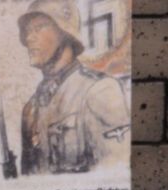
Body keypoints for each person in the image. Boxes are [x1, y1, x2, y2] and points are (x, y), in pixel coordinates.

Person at [18, 0, 130, 175]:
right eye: (27, 31)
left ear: (65, 33)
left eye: (39, 28)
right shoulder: (31, 109)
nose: (28, 38)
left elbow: (115, 174)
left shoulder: (99, 91)